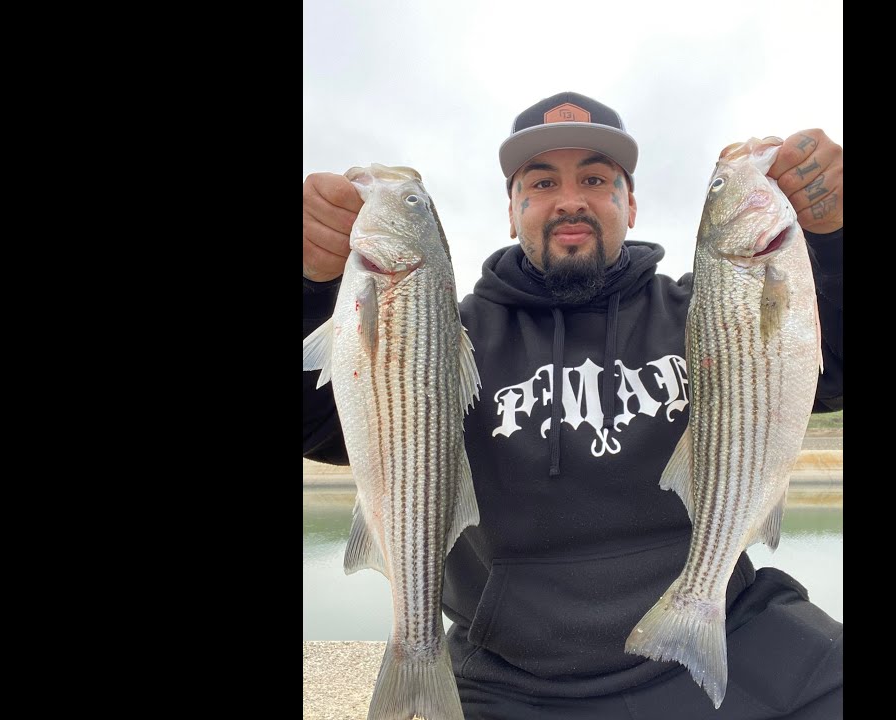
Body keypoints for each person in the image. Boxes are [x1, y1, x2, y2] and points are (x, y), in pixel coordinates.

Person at [303, 91, 843, 719]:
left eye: (594, 178)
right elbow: (314, 424)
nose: (569, 200)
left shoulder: (711, 310)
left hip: (734, 625)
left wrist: (833, 238)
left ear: (630, 204)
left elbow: (830, 372)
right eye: (541, 182)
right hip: (513, 675)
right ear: (512, 211)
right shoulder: (437, 339)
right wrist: (311, 285)